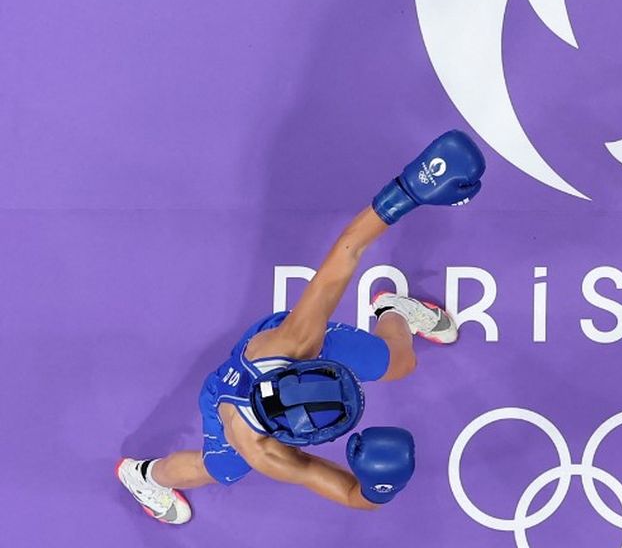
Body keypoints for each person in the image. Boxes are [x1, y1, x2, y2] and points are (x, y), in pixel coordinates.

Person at [116, 130, 486, 524]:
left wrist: (407, 191)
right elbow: (349, 494)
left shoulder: (298, 341)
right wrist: (378, 487)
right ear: (296, 441)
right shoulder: (261, 452)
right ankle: (143, 476)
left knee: (400, 363)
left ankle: (393, 309)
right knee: (216, 469)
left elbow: (348, 250)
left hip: (276, 352)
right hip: (226, 401)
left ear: (313, 367)